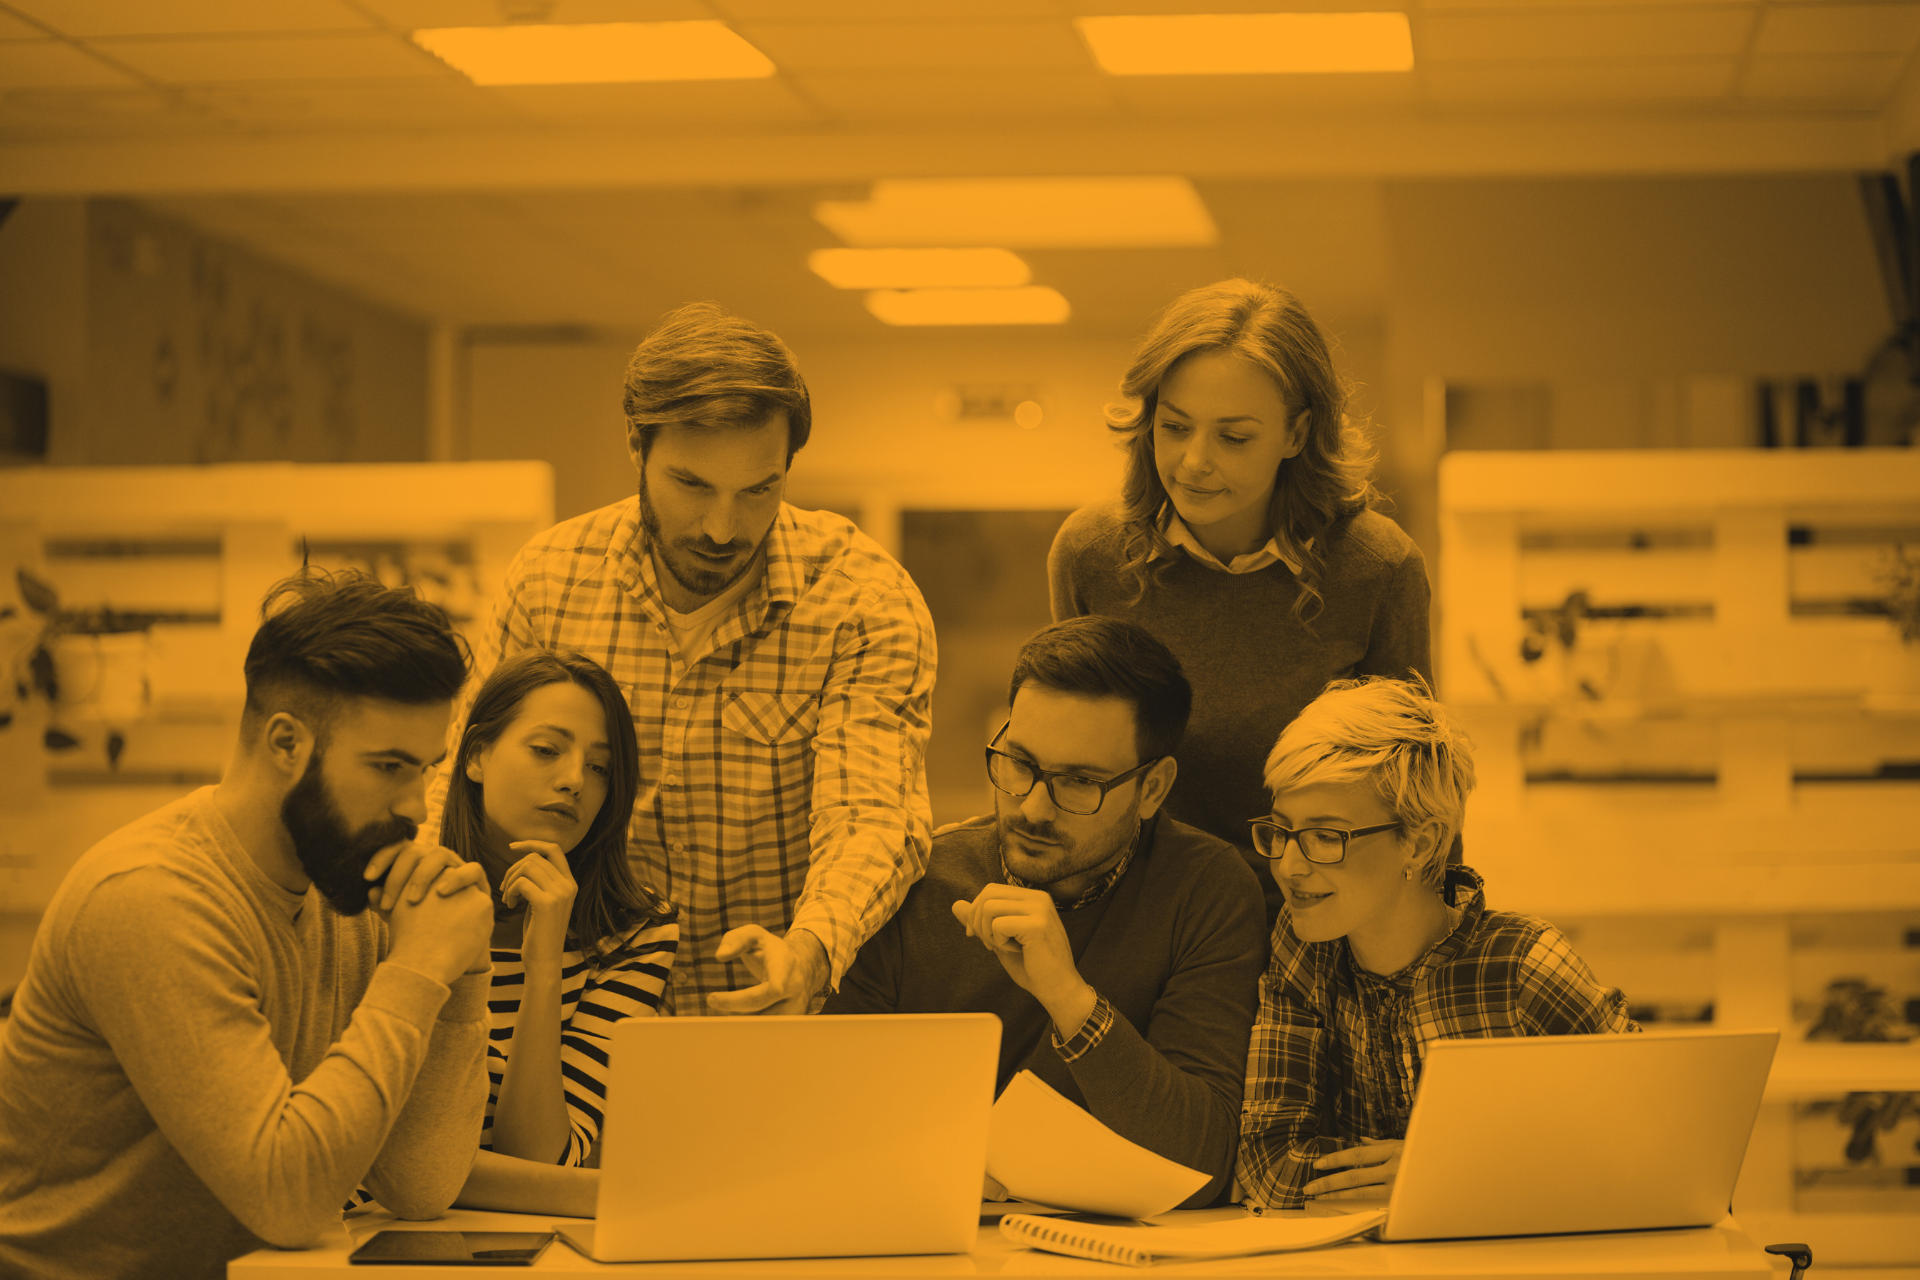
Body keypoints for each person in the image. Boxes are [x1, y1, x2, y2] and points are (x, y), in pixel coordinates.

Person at [429, 301, 936, 1016]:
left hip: (773, 1015)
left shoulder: (861, 598)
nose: (723, 529)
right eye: (692, 486)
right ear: (637, 448)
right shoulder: (552, 580)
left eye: (759, 490)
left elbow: (872, 814)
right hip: (575, 1015)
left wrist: (812, 949)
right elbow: (457, 785)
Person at [0, 570, 495, 1280]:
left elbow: (419, 1189)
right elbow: (287, 1199)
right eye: (388, 766)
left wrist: (462, 971)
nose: (417, 806)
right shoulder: (152, 898)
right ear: (286, 743)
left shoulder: (347, 878)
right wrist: (415, 971)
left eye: (424, 767)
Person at [826, 616, 1265, 1208]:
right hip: (922, 1230)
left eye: (1080, 782)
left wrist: (1069, 999)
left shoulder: (1205, 890)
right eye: (1020, 764)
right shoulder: (918, 883)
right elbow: (830, 1123)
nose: (1032, 808)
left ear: (1153, 789)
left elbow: (1200, 1168)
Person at [1049, 278, 1434, 928]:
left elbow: (1416, 797)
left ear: (1296, 433)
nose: (1193, 461)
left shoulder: (1377, 567)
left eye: (1233, 437)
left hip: (1321, 931)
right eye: (1174, 427)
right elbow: (1070, 768)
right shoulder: (1091, 554)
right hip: (1140, 924)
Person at [1236, 676, 1638, 1210]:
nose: (1287, 866)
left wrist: (1450, 1170)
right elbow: (1270, 1162)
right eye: (1282, 830)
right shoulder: (1304, 945)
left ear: (1420, 844)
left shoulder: (1524, 965)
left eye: (1325, 837)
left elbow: (1651, 1145)